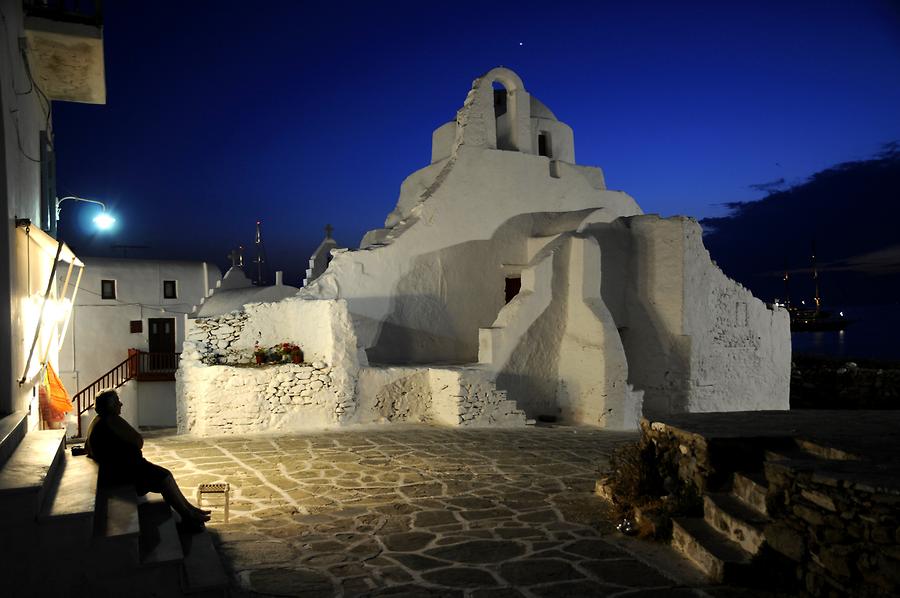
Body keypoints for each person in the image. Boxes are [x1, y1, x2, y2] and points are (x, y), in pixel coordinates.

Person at [85, 389, 210, 530]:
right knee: (165, 478)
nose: (121, 404)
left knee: (165, 474)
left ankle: (191, 510)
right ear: (110, 406)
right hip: (123, 471)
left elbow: (88, 448)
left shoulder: (98, 420)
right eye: (117, 402)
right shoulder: (111, 420)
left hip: (123, 466)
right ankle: (188, 516)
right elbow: (138, 441)